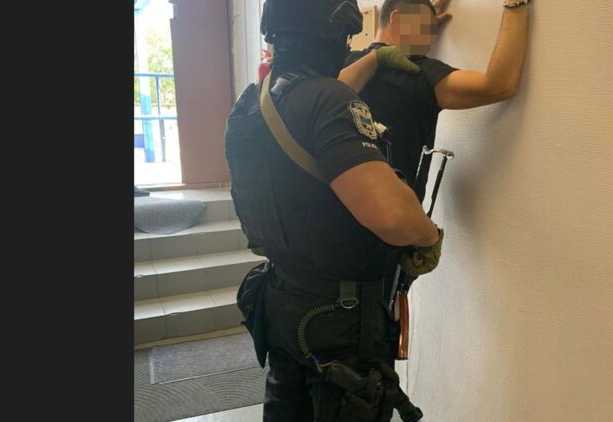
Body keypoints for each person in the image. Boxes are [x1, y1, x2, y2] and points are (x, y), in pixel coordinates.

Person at [224, 1, 443, 421]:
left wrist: (375, 59)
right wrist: (428, 236)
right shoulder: (328, 99)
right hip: (339, 319)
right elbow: (393, 216)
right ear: (332, 32)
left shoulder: (253, 100)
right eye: (347, 36)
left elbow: (316, 102)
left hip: (284, 300)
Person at [345, 0, 531, 199]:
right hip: (395, 211)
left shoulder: (347, 64)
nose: (431, 40)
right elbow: (500, 85)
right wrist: (515, 5)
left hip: (341, 203)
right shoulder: (418, 72)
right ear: (397, 20)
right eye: (427, 30)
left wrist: (419, 24)